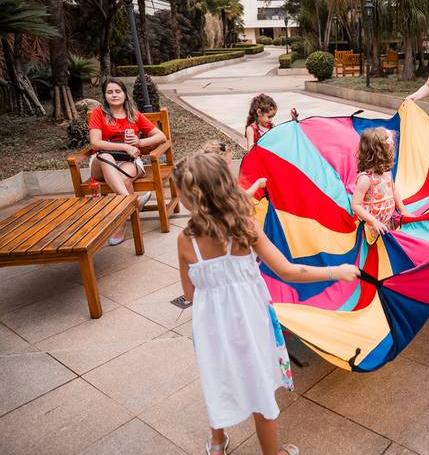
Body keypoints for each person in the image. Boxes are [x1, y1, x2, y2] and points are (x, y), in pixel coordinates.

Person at [174, 152, 359, 455]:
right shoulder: (245, 229)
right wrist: (335, 272)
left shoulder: (185, 240)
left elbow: (191, 293)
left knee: (217, 379)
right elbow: (289, 271)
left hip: (211, 330)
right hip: (250, 325)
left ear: (190, 199)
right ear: (226, 188)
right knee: (258, 385)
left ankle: (217, 443)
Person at [88, 77, 167, 245]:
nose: (114, 95)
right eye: (109, 92)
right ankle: (133, 201)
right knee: (105, 156)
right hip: (101, 162)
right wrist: (125, 147)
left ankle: (121, 224)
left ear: (124, 94)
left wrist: (139, 142)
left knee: (124, 180)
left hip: (129, 161)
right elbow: (95, 143)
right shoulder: (98, 113)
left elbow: (161, 137)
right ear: (104, 95)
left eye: (118, 91)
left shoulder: (134, 115)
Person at [351, 128, 412, 243]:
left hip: (386, 221)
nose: (392, 153)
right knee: (374, 249)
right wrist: (373, 221)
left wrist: (403, 210)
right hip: (371, 226)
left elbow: (393, 189)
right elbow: (355, 205)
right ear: (378, 154)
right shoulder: (366, 178)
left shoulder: (386, 171)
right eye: (389, 151)